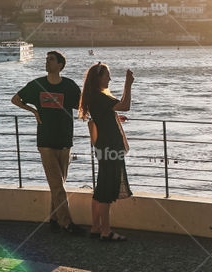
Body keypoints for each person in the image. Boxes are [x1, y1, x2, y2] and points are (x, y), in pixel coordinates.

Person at [11, 50, 83, 234]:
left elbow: (83, 106)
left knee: (58, 184)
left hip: (65, 139)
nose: (47, 62)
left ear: (60, 65)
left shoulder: (69, 86)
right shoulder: (38, 85)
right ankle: (66, 223)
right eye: (46, 59)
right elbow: (16, 99)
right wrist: (34, 111)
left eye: (51, 60)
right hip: (45, 141)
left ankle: (54, 218)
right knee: (57, 185)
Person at [79, 62, 134, 240]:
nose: (109, 79)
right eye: (107, 75)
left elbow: (106, 114)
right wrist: (128, 84)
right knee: (107, 189)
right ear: (98, 78)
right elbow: (125, 105)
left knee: (102, 186)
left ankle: (96, 227)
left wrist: (114, 117)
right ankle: (106, 231)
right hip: (111, 146)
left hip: (104, 145)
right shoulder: (100, 97)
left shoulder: (95, 97)